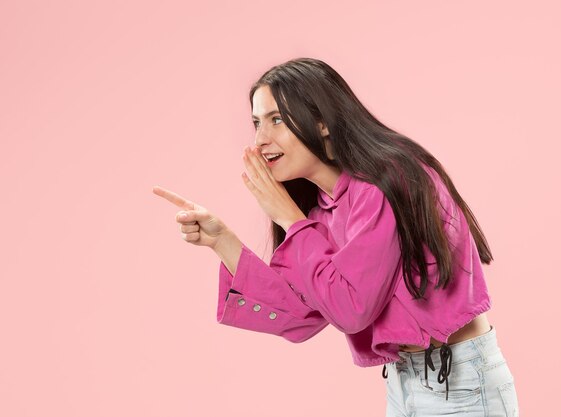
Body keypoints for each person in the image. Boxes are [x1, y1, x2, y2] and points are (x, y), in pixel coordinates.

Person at [153, 57, 519, 416]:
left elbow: (351, 311)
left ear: (322, 122)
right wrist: (223, 241)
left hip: (462, 387)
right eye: (256, 123)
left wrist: (289, 218)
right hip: (406, 382)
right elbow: (302, 315)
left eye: (276, 120)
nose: (260, 140)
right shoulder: (322, 211)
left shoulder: (388, 181)